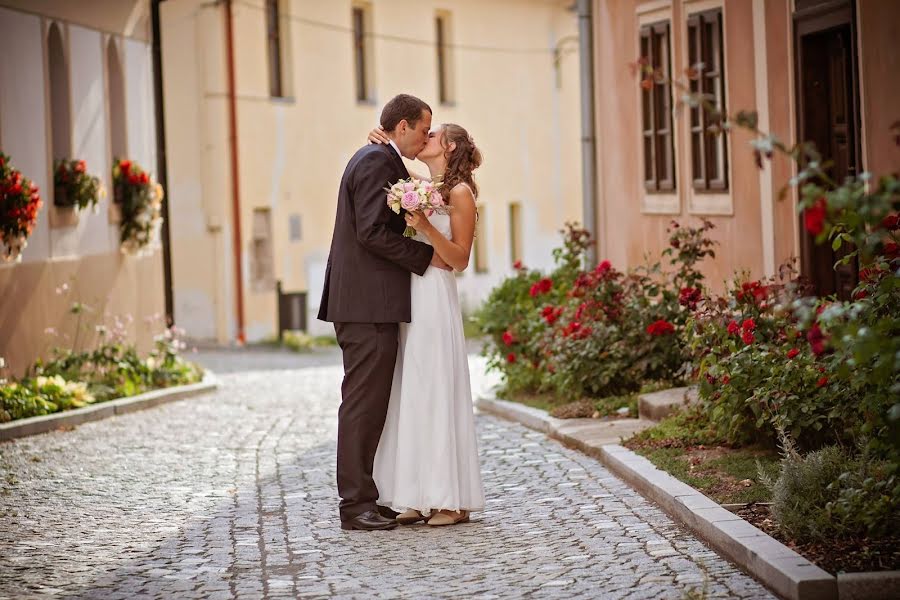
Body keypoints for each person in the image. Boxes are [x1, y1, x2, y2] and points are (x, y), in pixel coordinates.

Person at [318, 94, 450, 531]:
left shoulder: (382, 159)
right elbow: (372, 231)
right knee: (362, 404)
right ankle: (355, 506)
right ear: (403, 127)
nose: (427, 137)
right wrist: (425, 256)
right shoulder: (376, 162)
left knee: (373, 404)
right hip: (365, 303)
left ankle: (368, 497)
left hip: (367, 301)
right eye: (424, 129)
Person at [368, 122, 486, 526]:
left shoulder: (460, 193)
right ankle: (417, 493)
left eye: (432, 135)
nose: (424, 139)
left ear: (449, 146)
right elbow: (399, 170)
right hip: (411, 292)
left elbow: (460, 259)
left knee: (436, 388)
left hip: (435, 294)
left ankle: (451, 499)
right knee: (413, 388)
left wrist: (425, 227)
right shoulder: (428, 186)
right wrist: (381, 138)